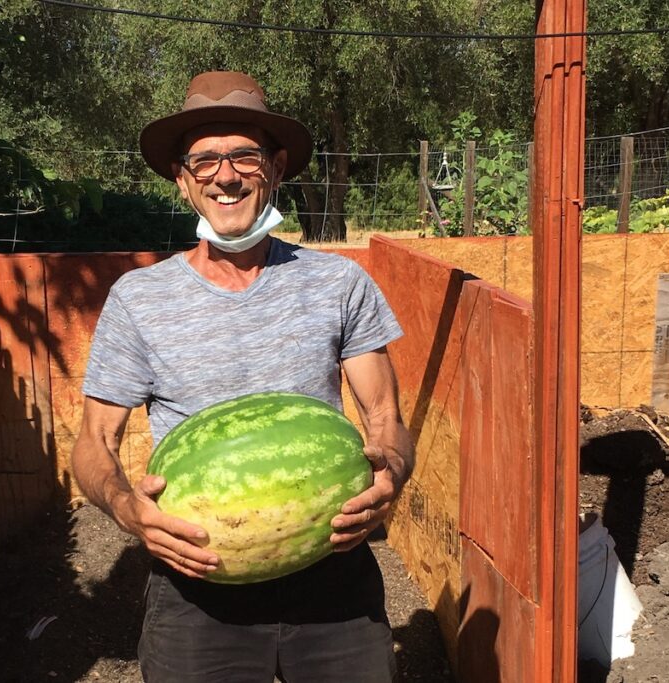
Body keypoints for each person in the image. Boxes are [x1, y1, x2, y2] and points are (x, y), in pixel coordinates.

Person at [72, 70, 414, 682]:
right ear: (183, 181)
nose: (225, 176)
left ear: (276, 167)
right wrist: (128, 509)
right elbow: (94, 443)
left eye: (244, 157)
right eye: (204, 162)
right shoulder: (138, 299)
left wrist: (390, 475)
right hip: (198, 591)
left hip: (331, 577)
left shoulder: (340, 285)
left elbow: (386, 421)